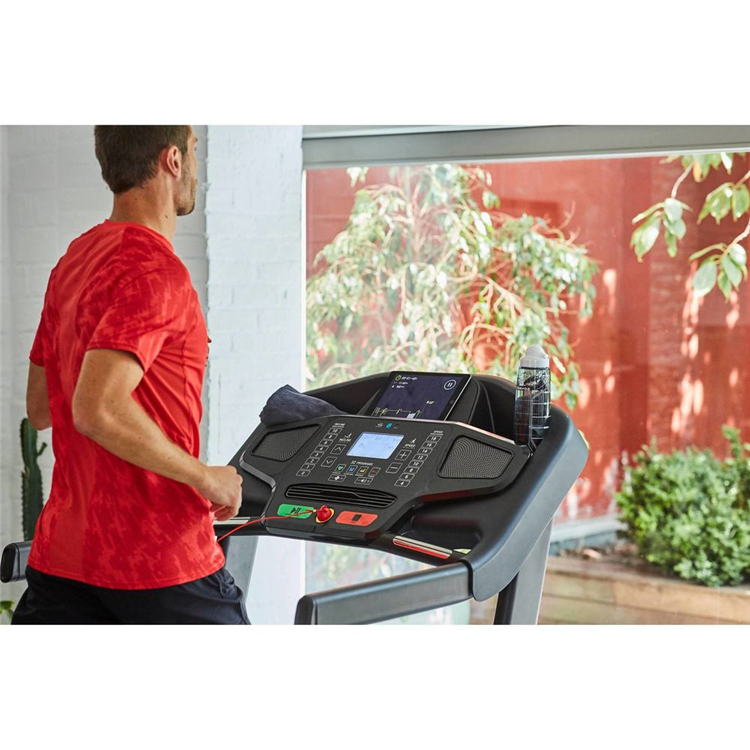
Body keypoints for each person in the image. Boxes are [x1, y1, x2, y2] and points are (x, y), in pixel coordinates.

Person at [12, 126, 250, 624]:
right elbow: (96, 408)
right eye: (194, 151)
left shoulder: (74, 261)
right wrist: (207, 479)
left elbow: (40, 408)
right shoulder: (156, 270)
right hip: (158, 562)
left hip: (64, 561)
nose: (197, 166)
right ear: (172, 160)